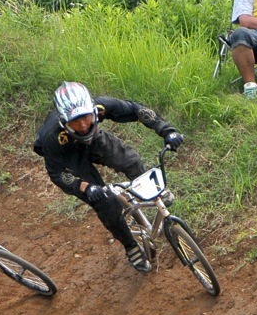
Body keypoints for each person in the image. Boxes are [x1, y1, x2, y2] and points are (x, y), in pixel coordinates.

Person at [33, 82, 184, 273]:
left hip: (95, 142)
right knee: (107, 204)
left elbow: (137, 110)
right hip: (70, 159)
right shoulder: (51, 136)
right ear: (64, 121)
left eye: (86, 118)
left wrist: (167, 130)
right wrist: (86, 187)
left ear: (93, 111)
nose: (82, 125)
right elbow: (57, 173)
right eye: (74, 122)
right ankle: (130, 246)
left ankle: (155, 194)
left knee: (131, 160)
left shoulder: (100, 106)